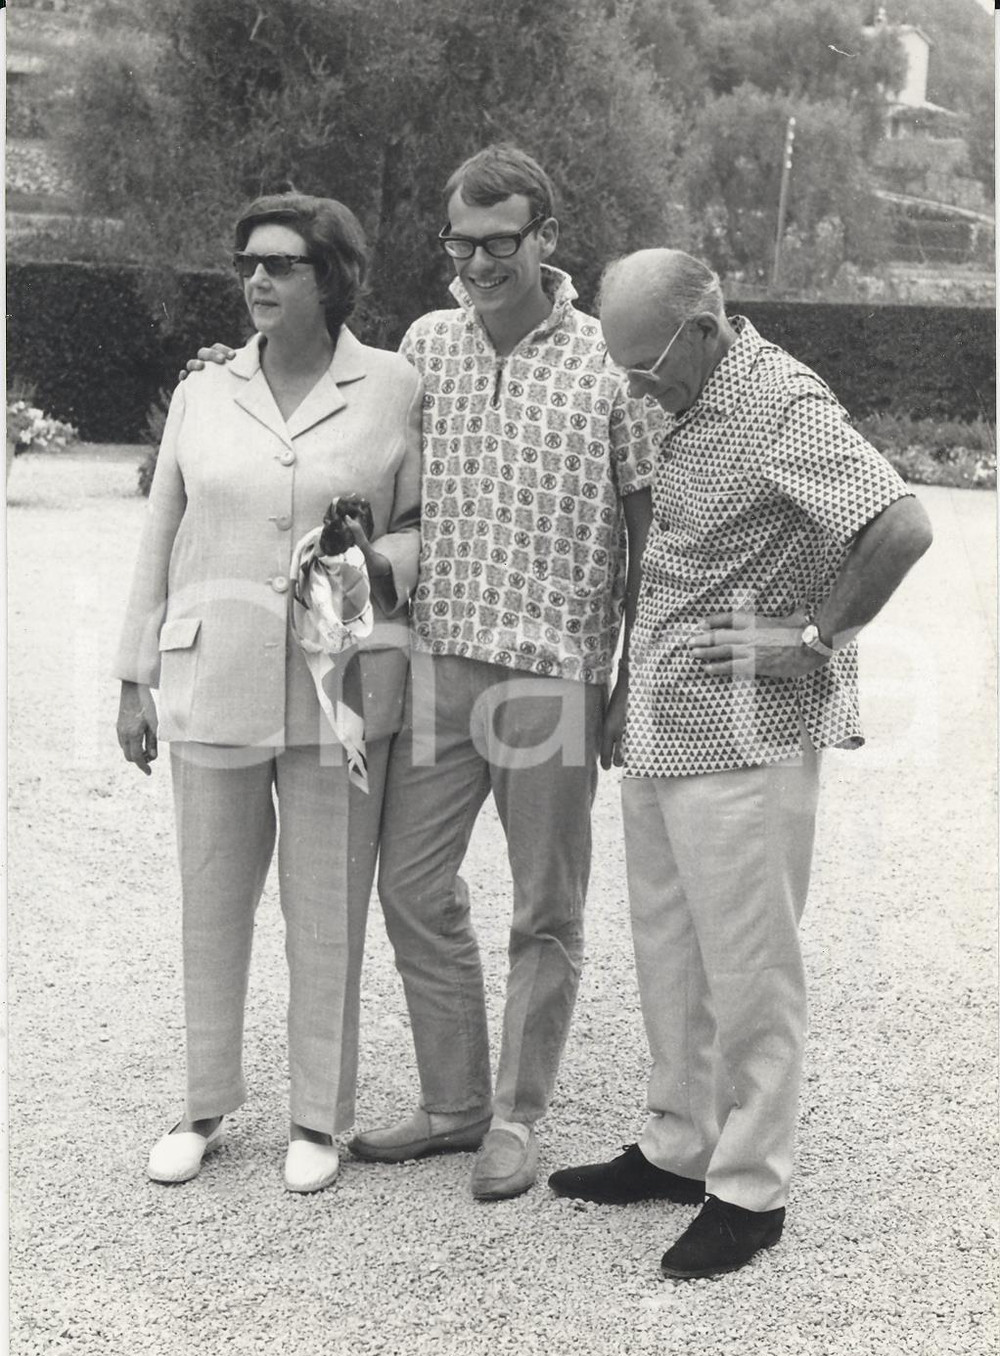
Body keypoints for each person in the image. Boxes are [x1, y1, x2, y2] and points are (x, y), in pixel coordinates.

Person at [184, 146, 661, 1201]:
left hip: (553, 676)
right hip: (440, 661)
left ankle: (515, 1114)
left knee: (545, 907)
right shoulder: (425, 351)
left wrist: (631, 681)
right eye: (463, 241)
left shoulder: (604, 365)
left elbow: (648, 537)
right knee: (406, 885)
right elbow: (349, 454)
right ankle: (451, 1102)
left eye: (502, 241)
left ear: (546, 237)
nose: (480, 261)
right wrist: (237, 375)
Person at [547, 248, 933, 1276]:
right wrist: (632, 687)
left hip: (747, 743)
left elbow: (901, 522)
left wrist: (806, 637)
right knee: (672, 955)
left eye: (647, 367)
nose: (637, 389)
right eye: (623, 370)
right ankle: (680, 1145)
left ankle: (750, 1187)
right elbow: (670, 557)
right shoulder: (688, 399)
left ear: (706, 330)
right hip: (667, 729)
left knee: (751, 969)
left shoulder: (778, 402)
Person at [115, 192, 423, 1194]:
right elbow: (160, 532)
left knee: (326, 908)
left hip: (338, 689)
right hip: (214, 678)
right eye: (249, 260)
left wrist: (372, 557)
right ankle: (202, 1103)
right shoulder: (204, 391)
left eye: (283, 264)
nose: (258, 277)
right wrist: (134, 674)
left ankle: (317, 1118)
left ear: (329, 276)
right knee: (212, 898)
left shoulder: (393, 388)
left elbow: (429, 526)